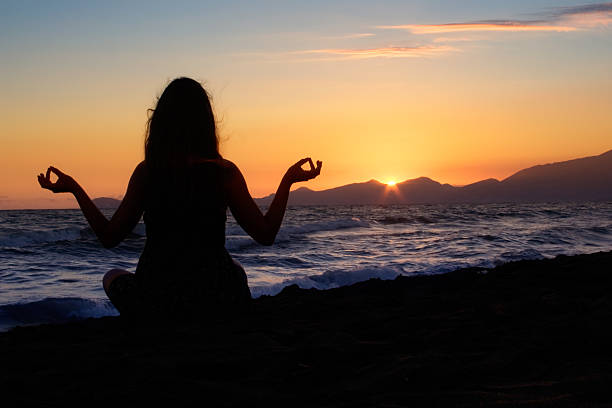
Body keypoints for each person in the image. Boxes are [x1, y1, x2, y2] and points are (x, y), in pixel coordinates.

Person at [37, 77, 322, 320]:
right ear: (206, 123)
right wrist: (288, 181)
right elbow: (265, 234)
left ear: (160, 123)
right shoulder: (224, 173)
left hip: (157, 299)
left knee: (112, 276)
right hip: (216, 297)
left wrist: (75, 188)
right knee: (235, 269)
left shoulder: (148, 172)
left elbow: (109, 237)